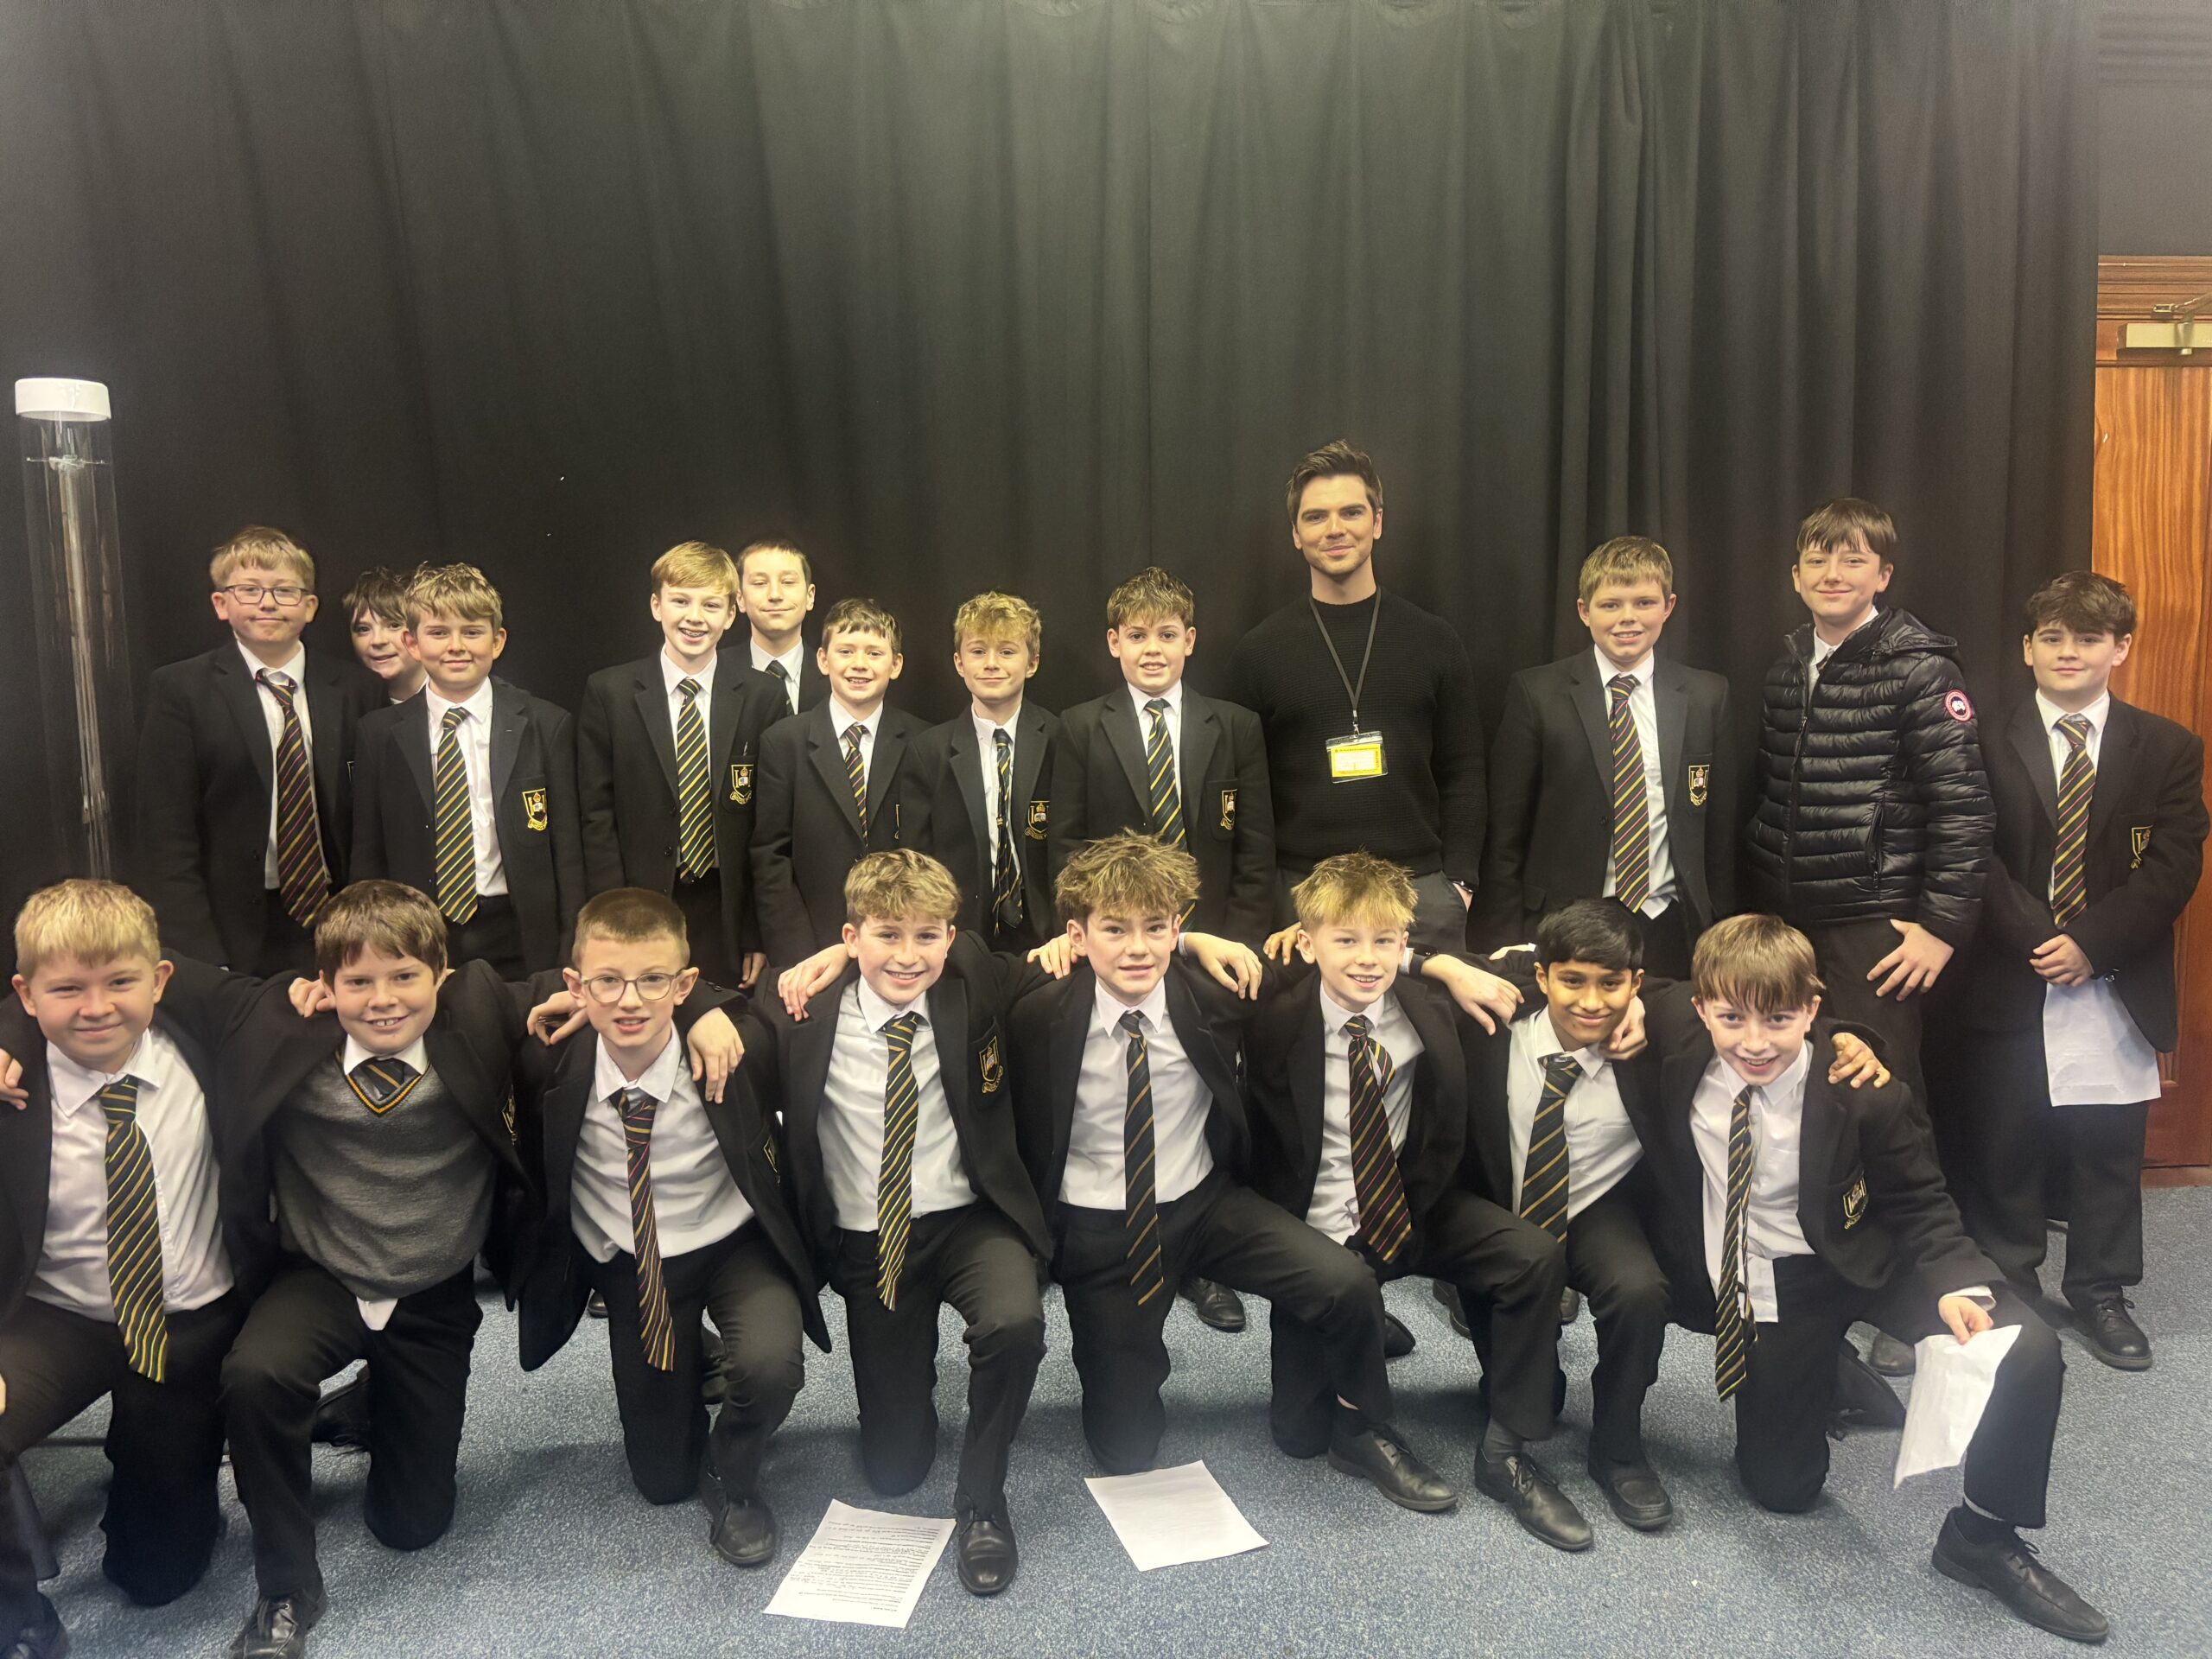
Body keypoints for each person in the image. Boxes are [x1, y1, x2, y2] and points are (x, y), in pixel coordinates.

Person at [1006, 834, 1514, 1513]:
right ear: (1078, 935)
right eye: (1114, 930)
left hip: (1206, 1206)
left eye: (1156, 928)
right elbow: (950, 975)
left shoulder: (1214, 990)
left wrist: (1437, 963)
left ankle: (1362, 1425)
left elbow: (1343, 955)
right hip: (1101, 1229)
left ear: (1176, 928)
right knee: (1125, 1445)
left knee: (1345, 1282)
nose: (1137, 949)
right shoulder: (1038, 1008)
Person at [1639, 914, 2106, 1645]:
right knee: (1781, 1490)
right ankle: (1829, 1366)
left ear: (1812, 1010)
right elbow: (1576, 980)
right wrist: (1454, 966)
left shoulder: (1863, 1087)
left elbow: (1921, 1199)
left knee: (2023, 1346)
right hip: (1773, 1284)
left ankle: (1982, 1537)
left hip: (1871, 1259)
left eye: (1779, 1019)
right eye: (1731, 1019)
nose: (1754, 1041)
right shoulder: (1674, 1029)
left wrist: (1956, 1284)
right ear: (1700, 1009)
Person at [1244, 855, 1592, 1547]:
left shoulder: (1432, 1000)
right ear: (1307, 942)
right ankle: (1359, 1364)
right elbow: (1155, 967)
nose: (1366, 959)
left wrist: (1637, 1001)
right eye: (1346, 940)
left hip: (1412, 1208)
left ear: (1405, 942)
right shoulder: (1271, 1011)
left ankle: (1503, 1453)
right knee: (1300, 1436)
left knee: (1531, 1256)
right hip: (1318, 1228)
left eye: (1385, 941)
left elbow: (1576, 973)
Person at [737, 851, 1050, 1597]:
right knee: (895, 1467)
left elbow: (1071, 963)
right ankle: (911, 1388)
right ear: (851, 936)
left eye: (927, 936)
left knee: (1015, 1323)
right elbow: (697, 1004)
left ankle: (984, 1501)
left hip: (970, 1222)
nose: (908, 956)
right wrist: (701, 1020)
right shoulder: (799, 1007)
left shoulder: (973, 978)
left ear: (950, 938)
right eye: (887, 935)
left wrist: (1196, 939)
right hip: (869, 1240)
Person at [1741, 499, 1993, 1376]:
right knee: (1810, 1109)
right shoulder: (1788, 666)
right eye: (1818, 559)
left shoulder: (1921, 668)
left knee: (1888, 1107)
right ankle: (1833, 1288)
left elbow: (1965, 809)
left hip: (1871, 926)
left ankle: (1918, 1297)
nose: (1833, 574)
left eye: (1853, 560)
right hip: (1791, 923)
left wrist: (1940, 927)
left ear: (1883, 575)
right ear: (1795, 574)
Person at [1934, 571, 2206, 1370]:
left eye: (2088, 638)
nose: (2068, 652)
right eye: (2051, 637)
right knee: (2003, 1140)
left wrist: (2091, 942)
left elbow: (2174, 865)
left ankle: (2100, 1290)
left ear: (2120, 648)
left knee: (2107, 1146)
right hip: (2010, 970)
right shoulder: (1982, 739)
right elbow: (1970, 852)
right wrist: (2040, 937)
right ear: (2027, 648)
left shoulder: (2168, 747)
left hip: (2113, 979)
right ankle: (2008, 1280)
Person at [514, 888, 821, 1570]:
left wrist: (707, 1010)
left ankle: (734, 1475)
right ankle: (693, 1359)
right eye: (608, 982)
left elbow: (798, 1000)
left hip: (734, 1245)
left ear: (684, 985)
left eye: (654, 981)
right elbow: (455, 998)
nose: (630, 1001)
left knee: (770, 1366)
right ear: (575, 986)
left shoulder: (735, 1049)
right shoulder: (546, 1059)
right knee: (661, 1481)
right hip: (635, 1264)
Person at [0, 881, 248, 1659]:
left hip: (188, 1316)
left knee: (156, 1576)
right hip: (60, 1317)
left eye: (119, 983)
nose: (96, 1007)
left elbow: (310, 999)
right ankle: (19, 1619)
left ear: (161, 981)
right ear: (25, 996)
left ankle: (154, 1481)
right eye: (66, 990)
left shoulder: (209, 1044)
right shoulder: (12, 1087)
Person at [1229, 440, 1486, 955]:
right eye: (1316, 517)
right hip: (1302, 900)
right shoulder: (1258, 652)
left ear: (1378, 522)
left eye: (1351, 512)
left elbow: (1464, 770)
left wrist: (1459, 884)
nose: (1335, 529)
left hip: (1420, 896)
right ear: (1296, 534)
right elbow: (1245, 793)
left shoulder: (1434, 640)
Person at [1478, 537, 1736, 978]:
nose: (1627, 618)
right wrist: (1503, 943)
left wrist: (1723, 929)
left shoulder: (1706, 695)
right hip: (1567, 923)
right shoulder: (1537, 694)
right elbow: (1506, 834)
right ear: (1584, 611)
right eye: (1610, 604)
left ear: (1669, 606)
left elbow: (1720, 830)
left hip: (1672, 923)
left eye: (1644, 602)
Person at [136, 526, 373, 975]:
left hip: (341, 919)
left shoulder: (357, 689)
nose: (268, 603)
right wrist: (201, 956)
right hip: (230, 931)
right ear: (221, 604)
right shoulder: (180, 690)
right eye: (249, 590)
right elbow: (167, 834)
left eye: (285, 591)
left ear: (310, 606)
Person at [351, 563, 585, 976]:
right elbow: (368, 856)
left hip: (520, 934)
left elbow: (567, 853)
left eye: (472, 632)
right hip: (416, 935)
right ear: (412, 643)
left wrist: (572, 949)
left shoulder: (546, 725)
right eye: (438, 633)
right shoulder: (378, 734)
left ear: (497, 641)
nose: (456, 646)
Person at [575, 540, 788, 989]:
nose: (695, 617)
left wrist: (758, 929)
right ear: (656, 606)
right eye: (680, 601)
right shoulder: (610, 693)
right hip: (640, 904)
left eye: (711, 605)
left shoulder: (763, 697)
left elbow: (770, 824)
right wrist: (615, 917)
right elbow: (597, 817)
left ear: (731, 613)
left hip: (725, 907)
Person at [1052, 566, 1275, 946]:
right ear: (1114, 642)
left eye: (1167, 635)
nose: (1152, 649)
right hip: (1119, 941)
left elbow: (1255, 853)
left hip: (1218, 936)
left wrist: (1237, 942)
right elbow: (1067, 849)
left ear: (1189, 641)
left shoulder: (1237, 727)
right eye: (1137, 636)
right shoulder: (1080, 728)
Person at [750, 597, 928, 967]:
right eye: (845, 651)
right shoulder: (783, 743)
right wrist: (798, 953)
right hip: (808, 946)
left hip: (899, 946)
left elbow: (930, 855)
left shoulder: (923, 743)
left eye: (874, 653)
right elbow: (771, 857)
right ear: (822, 659)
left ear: (896, 664)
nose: (859, 664)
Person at [908, 592, 1062, 954]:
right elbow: (918, 861)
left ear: (1032, 663)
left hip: (1048, 939)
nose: (991, 664)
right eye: (978, 651)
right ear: (959, 663)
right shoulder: (929, 751)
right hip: (960, 939)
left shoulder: (1061, 739)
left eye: (1007, 652)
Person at [736, 539, 827, 716]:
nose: (775, 595)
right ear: (740, 599)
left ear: (810, 596)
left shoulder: (836, 678)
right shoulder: (714, 673)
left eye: (788, 582)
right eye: (760, 583)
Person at [341, 565, 426, 704]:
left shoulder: (460, 693)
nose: (377, 641)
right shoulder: (350, 706)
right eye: (363, 629)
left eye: (394, 625)